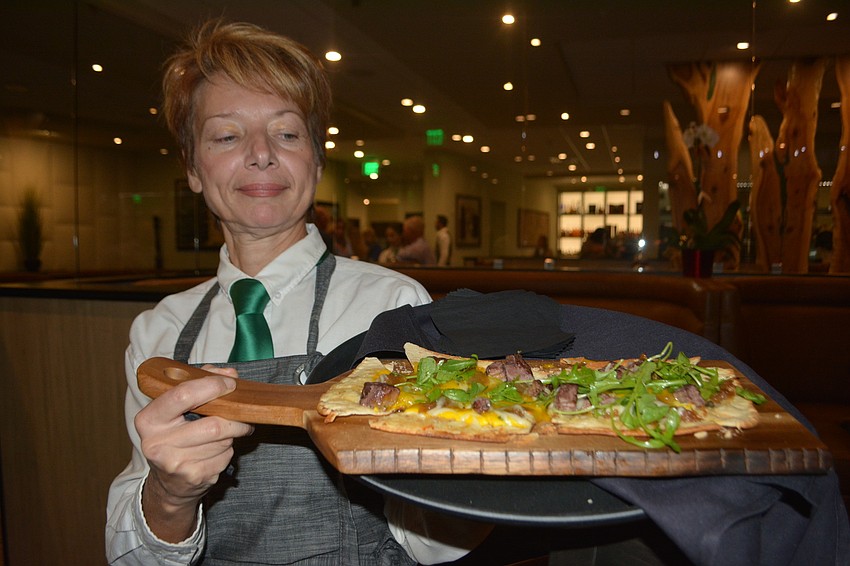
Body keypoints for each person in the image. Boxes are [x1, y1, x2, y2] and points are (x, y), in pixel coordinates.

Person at [105, 20, 490, 565]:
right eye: (227, 136)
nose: (261, 153)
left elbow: (439, 546)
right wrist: (168, 498)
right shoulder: (159, 333)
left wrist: (461, 453)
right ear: (192, 167)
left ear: (317, 158)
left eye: (286, 133)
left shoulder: (392, 307)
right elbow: (127, 555)